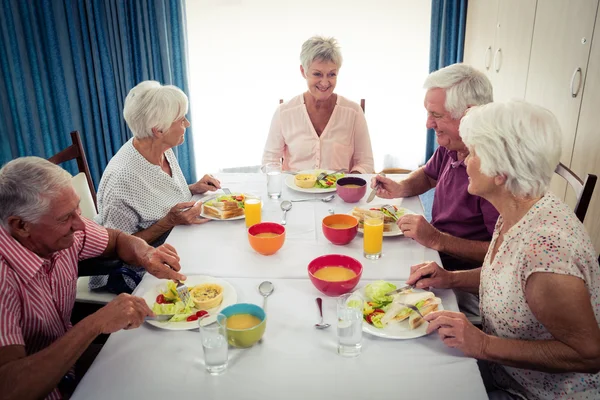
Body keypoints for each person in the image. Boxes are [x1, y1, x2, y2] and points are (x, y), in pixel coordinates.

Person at [407, 101, 600, 399]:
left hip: (530, 392)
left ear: (500, 170)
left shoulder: (547, 255)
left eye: (473, 153)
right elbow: (507, 276)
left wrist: (482, 345)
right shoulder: (517, 206)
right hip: (502, 368)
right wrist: (451, 278)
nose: (465, 162)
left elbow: (588, 355)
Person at [0, 157, 187, 400]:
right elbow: (8, 388)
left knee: (171, 367)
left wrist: (146, 253)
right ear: (20, 225)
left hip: (70, 363)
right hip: (38, 384)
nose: (80, 224)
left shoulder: (61, 233)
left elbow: (117, 239)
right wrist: (93, 324)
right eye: (65, 218)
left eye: (77, 209)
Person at [92, 80, 221, 293]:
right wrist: (167, 222)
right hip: (132, 271)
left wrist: (191, 188)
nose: (186, 124)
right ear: (158, 130)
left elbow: (155, 195)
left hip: (175, 240)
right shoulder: (122, 180)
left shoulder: (161, 148)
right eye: (181, 120)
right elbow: (116, 249)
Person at [371, 63, 499, 270]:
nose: (428, 124)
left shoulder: (493, 170)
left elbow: (503, 253)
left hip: (460, 270)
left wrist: (438, 240)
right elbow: (430, 176)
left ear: (469, 115)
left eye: (437, 115)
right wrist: (401, 187)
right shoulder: (453, 143)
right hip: (435, 248)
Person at [262, 35, 374, 174]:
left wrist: (348, 184)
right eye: (317, 74)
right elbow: (269, 160)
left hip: (339, 194)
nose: (325, 82)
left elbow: (365, 163)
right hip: (293, 193)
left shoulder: (354, 112)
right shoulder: (284, 112)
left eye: (332, 74)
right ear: (303, 71)